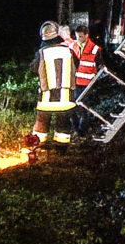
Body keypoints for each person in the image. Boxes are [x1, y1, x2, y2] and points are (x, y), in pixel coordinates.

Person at [30, 21, 77, 153]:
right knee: (63, 123)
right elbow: (77, 64)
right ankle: (61, 149)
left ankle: (37, 146)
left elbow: (33, 68)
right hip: (66, 97)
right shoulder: (68, 50)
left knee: (42, 122)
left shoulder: (41, 53)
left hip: (46, 98)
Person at [71, 25, 102, 136]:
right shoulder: (73, 46)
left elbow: (99, 66)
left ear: (86, 35)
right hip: (75, 83)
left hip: (87, 84)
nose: (78, 39)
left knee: (84, 109)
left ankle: (81, 132)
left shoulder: (94, 49)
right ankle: (77, 130)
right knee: (72, 108)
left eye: (80, 36)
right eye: (77, 36)